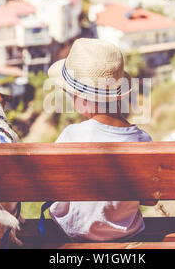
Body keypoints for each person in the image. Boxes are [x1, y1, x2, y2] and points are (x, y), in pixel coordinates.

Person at [46, 38, 155, 242]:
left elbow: (51, 188)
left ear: (84, 101)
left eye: (70, 94)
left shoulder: (71, 136)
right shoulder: (142, 140)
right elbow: (150, 200)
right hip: (127, 236)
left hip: (72, 235)